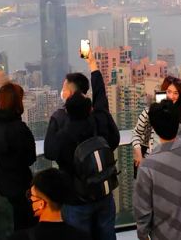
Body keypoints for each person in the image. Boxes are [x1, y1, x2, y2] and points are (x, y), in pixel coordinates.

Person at [43, 53, 120, 240]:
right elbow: (101, 95)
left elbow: (49, 152)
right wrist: (92, 64)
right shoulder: (98, 116)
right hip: (104, 193)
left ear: (68, 99)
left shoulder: (61, 124)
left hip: (76, 199)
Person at [134, 99, 181, 240]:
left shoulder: (148, 167)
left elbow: (143, 211)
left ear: (155, 128)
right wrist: (170, 115)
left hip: (162, 235)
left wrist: (142, 236)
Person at [0, 82, 37, 231]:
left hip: (3, 184)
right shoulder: (17, 128)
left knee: (19, 224)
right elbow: (30, 158)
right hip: (19, 186)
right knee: (27, 225)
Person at [8, 168, 91, 240]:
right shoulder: (83, 237)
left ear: (41, 204)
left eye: (30, 195)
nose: (29, 198)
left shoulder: (19, 238)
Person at [132, 75, 181, 172]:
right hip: (149, 164)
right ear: (163, 92)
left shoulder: (180, 116)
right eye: (169, 91)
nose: (171, 96)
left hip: (172, 165)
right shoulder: (149, 112)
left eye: (176, 93)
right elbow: (136, 133)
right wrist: (139, 155)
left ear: (180, 96)